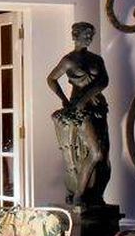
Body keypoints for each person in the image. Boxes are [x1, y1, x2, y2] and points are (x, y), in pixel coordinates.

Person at [47, 22, 110, 205]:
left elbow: (104, 81)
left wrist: (87, 96)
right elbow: (51, 79)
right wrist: (64, 99)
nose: (90, 37)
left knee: (104, 156)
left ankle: (96, 194)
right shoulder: (69, 60)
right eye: (86, 34)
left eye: (91, 34)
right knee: (96, 153)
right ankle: (79, 194)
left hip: (98, 107)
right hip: (80, 110)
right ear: (76, 35)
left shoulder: (97, 59)